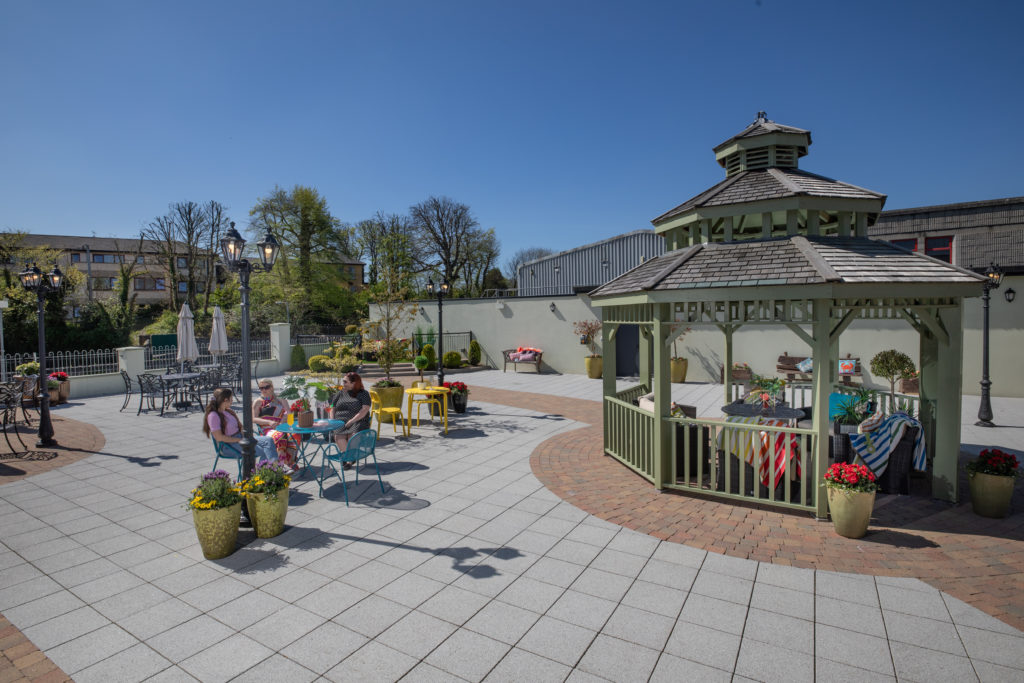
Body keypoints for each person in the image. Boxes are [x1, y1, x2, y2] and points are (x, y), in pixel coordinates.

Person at [202, 387, 278, 465]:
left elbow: (240, 426)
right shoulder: (213, 415)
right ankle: (273, 469)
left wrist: (244, 433)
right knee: (265, 450)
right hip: (228, 445)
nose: (232, 401)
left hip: (240, 438)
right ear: (225, 400)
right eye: (231, 399)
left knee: (268, 440)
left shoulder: (229, 411)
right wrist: (238, 440)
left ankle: (270, 469)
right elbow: (219, 437)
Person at [253, 379, 299, 471]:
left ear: (272, 387)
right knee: (279, 435)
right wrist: (269, 422)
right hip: (266, 429)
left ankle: (289, 462)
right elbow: (253, 418)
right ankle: (280, 465)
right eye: (261, 388)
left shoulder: (280, 399)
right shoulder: (258, 402)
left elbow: (289, 414)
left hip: (282, 426)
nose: (264, 390)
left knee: (295, 434)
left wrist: (286, 420)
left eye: (266, 387)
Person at [328, 372, 372, 466]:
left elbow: (365, 409)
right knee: (338, 436)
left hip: (358, 420)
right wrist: (332, 420)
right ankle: (349, 456)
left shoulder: (363, 394)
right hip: (340, 421)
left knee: (352, 436)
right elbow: (332, 407)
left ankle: (348, 460)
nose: (343, 384)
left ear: (353, 383)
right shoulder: (340, 393)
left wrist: (352, 421)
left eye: (345, 382)